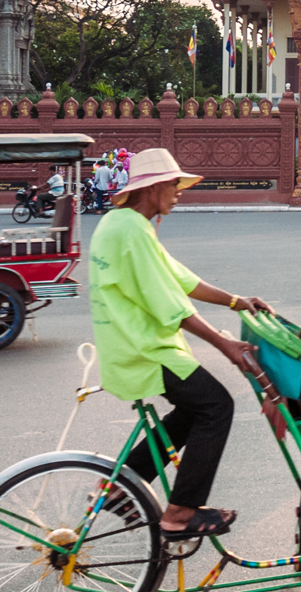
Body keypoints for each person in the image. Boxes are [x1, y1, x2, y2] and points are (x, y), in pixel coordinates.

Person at [87, 147, 271, 537]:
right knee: (217, 406)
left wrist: (237, 301)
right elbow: (171, 304)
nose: (179, 191)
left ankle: (121, 489)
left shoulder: (122, 224)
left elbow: (181, 278)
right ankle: (181, 513)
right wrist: (224, 346)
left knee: (190, 412)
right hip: (144, 348)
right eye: (174, 184)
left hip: (132, 345)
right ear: (153, 188)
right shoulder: (132, 230)